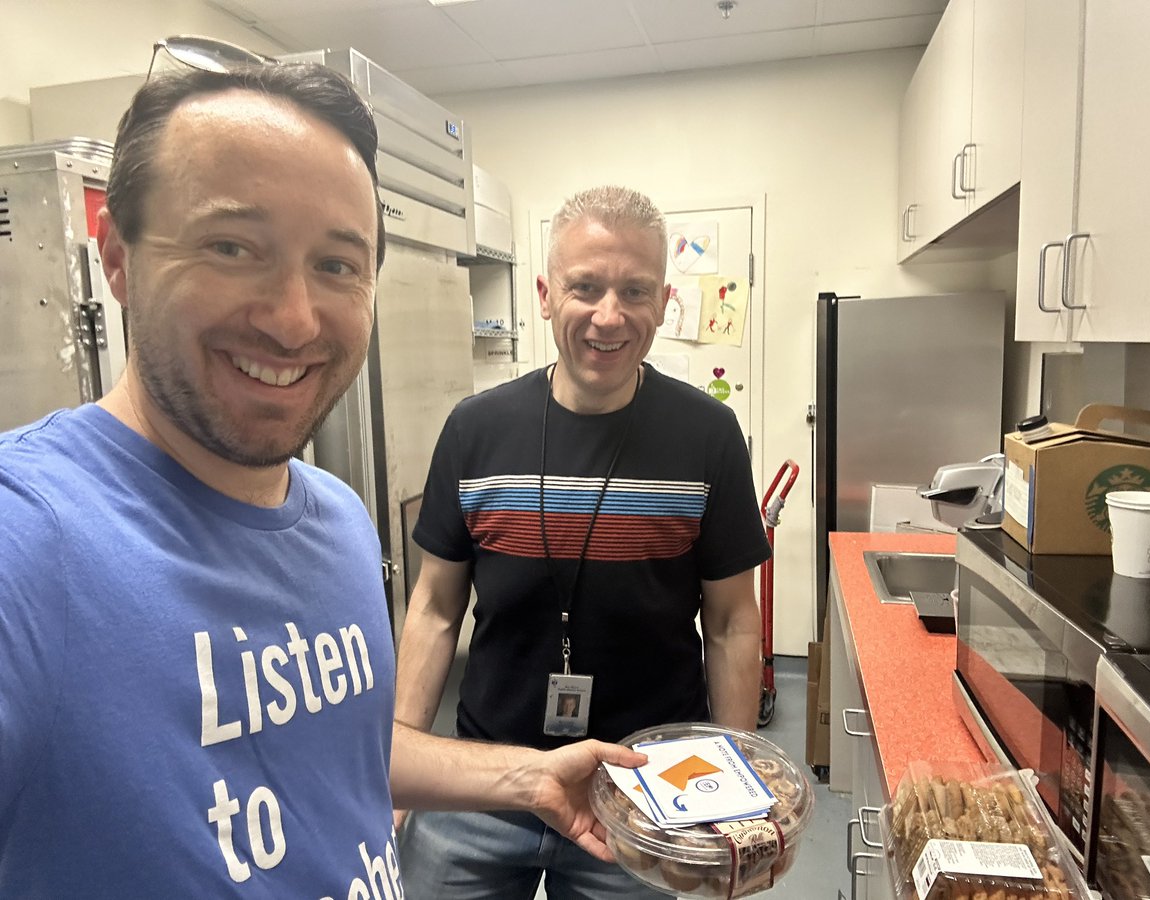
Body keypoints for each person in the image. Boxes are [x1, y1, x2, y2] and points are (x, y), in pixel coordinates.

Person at [0, 65, 644, 898]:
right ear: (119, 259)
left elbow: (338, 740)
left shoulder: (336, 519)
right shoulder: (30, 539)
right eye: (233, 247)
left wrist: (528, 778)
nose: (296, 318)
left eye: (338, 265)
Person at [394, 185, 771, 898]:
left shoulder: (707, 437)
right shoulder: (475, 430)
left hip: (644, 790)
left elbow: (729, 622)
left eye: (634, 290)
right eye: (586, 287)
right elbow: (435, 610)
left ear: (663, 302)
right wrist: (399, 770)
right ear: (544, 294)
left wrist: (731, 789)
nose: (610, 315)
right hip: (484, 778)